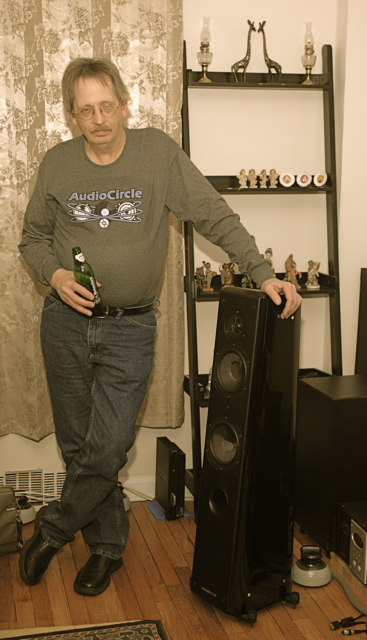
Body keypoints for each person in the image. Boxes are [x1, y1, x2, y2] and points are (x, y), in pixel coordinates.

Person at [18, 57, 302, 596]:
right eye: (86, 110)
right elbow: (31, 238)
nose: (99, 119)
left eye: (107, 106)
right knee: (80, 446)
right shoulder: (56, 165)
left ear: (124, 104)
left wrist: (263, 273)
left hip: (130, 328)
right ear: (72, 116)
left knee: (109, 444)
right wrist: (54, 275)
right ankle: (106, 547)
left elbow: (215, 214)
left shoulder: (158, 155)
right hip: (65, 324)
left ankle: (53, 530)